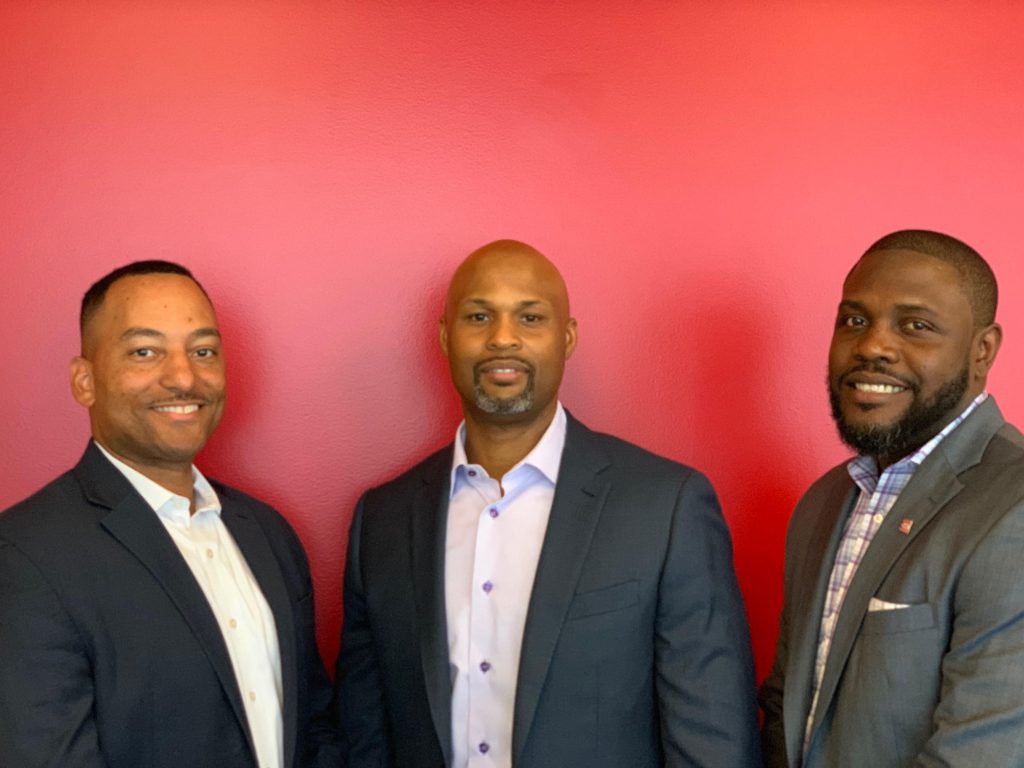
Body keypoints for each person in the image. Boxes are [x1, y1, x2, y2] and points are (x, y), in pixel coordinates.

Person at [334, 240, 759, 767]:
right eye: (479, 316)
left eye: (530, 317)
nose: (502, 337)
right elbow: (365, 737)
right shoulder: (382, 521)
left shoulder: (666, 508)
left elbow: (712, 740)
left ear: (567, 337)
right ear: (445, 336)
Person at [0, 261, 341, 768]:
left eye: (203, 352)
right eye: (145, 351)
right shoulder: (24, 556)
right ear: (84, 381)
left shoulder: (267, 533)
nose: (183, 377)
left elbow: (316, 727)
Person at [760, 229, 1024, 767]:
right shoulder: (823, 503)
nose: (871, 346)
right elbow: (785, 709)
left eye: (915, 326)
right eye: (854, 320)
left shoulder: (1013, 507)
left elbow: (981, 754)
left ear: (982, 351)